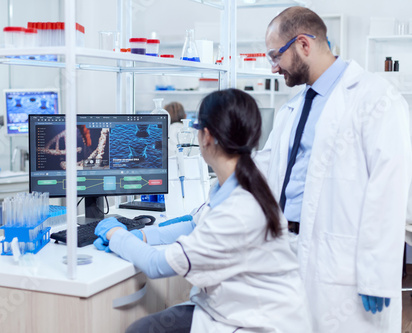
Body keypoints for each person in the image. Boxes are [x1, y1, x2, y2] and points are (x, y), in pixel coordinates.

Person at [94, 89, 312, 332]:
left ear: (206, 136)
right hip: (239, 308)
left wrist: (116, 234)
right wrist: (144, 235)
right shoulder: (239, 182)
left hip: (254, 323)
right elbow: (194, 223)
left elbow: (156, 265)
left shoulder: (237, 210)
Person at [255, 6, 412, 332]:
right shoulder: (293, 108)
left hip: (340, 265)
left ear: (303, 45)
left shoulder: (376, 98)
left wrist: (377, 273)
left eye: (275, 56)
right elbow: (263, 171)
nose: (273, 68)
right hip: (286, 250)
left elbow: (389, 190)